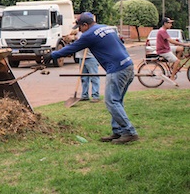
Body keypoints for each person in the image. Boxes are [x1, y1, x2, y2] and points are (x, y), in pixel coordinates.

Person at [43, 12, 138, 144]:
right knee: (117, 101)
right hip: (128, 65)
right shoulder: (106, 27)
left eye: (80, 28)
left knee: (112, 102)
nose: (79, 31)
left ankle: (129, 132)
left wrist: (53, 55)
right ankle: (118, 131)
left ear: (85, 25)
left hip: (117, 69)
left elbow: (72, 48)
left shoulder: (89, 35)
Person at [156, 17, 190, 81]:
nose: (171, 25)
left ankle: (173, 66)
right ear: (165, 23)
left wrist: (180, 44)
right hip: (163, 50)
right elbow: (171, 41)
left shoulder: (163, 30)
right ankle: (172, 77)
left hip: (167, 48)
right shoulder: (162, 31)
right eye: (169, 23)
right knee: (178, 61)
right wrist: (185, 44)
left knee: (180, 49)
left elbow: (170, 40)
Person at [75, 30, 100, 103]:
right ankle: (84, 95)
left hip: (91, 58)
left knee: (94, 77)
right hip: (81, 57)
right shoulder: (79, 34)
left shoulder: (92, 33)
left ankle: (95, 95)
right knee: (83, 77)